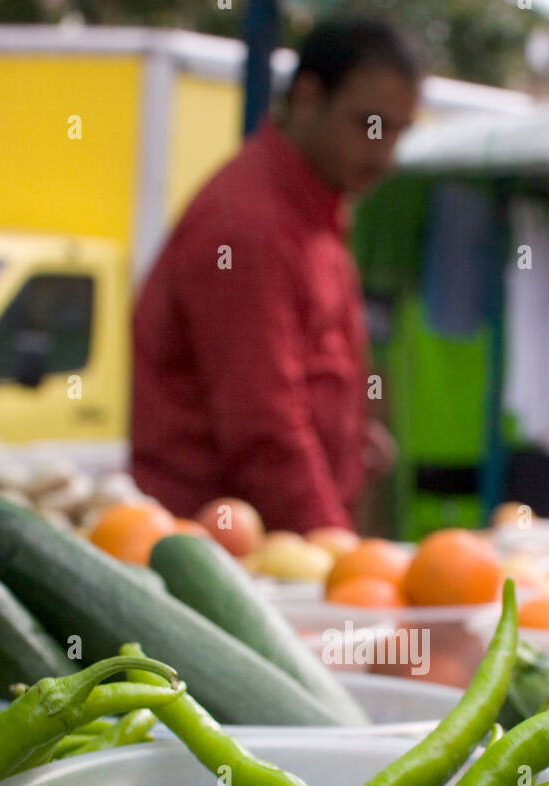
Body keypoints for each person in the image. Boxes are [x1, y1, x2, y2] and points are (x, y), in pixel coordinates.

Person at [130, 18, 422, 532]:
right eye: (370, 125)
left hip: (277, 553)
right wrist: (338, 554)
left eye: (397, 133)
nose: (384, 155)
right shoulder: (249, 225)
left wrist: (349, 434)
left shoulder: (318, 210)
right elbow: (263, 430)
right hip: (226, 563)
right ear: (309, 97)